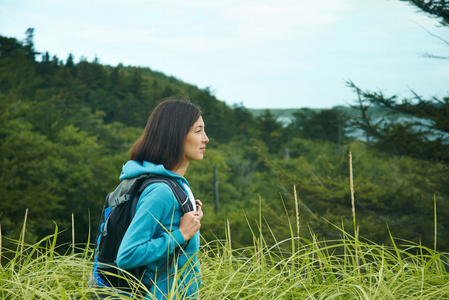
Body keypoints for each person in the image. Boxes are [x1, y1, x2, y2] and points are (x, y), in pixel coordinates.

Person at [96, 97, 209, 299]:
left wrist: (187, 213)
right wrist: (181, 234)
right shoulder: (161, 191)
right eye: (198, 131)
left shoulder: (170, 183)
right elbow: (128, 255)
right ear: (176, 135)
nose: (205, 138)